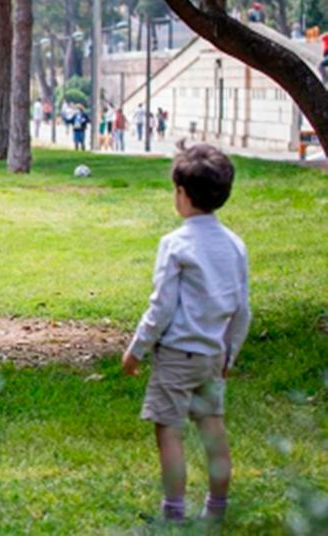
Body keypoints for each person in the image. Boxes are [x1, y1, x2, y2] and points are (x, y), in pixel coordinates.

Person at [122, 143, 250, 524]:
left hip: (177, 356)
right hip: (213, 355)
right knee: (213, 430)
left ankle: (174, 511)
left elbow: (161, 307)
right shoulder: (235, 246)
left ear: (182, 193)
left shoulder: (175, 245)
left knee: (170, 433)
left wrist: (136, 349)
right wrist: (229, 355)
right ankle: (217, 508)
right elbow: (242, 310)